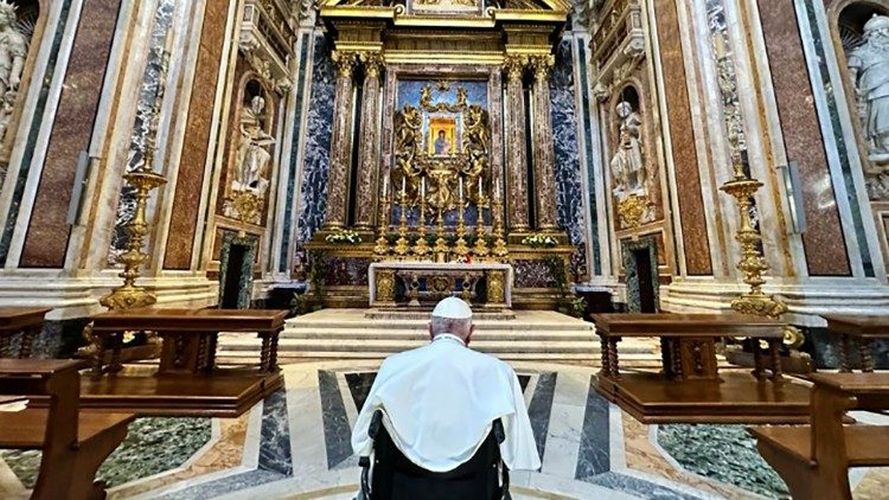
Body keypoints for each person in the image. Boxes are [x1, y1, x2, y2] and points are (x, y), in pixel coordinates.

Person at [351, 297, 540, 483]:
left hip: (400, 483)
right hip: (475, 485)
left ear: (430, 330)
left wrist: (366, 450)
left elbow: (364, 433)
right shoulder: (498, 371)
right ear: (471, 333)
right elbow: (517, 443)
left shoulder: (393, 366)